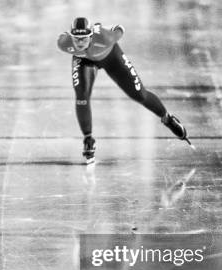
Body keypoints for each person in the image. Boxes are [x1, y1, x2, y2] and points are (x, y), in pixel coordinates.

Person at [57, 17, 190, 164]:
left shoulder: (105, 37)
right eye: (76, 39)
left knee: (139, 95)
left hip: (111, 57)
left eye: (84, 39)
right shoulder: (64, 43)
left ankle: (168, 119)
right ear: (71, 37)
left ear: (91, 36)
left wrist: (102, 28)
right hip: (84, 62)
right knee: (82, 96)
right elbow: (63, 36)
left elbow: (120, 28)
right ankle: (88, 139)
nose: (80, 43)